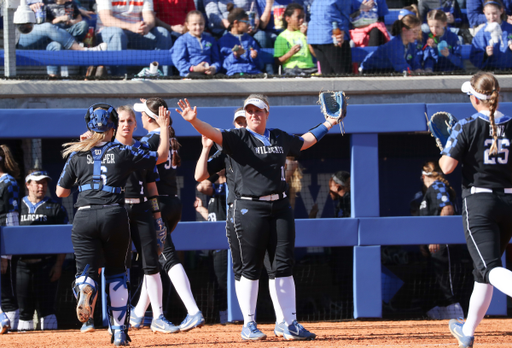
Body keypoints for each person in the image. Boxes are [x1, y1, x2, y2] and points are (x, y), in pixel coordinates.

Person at [177, 94, 341, 341]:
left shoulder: (277, 136)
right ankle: (249, 324)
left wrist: (329, 123)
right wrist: (194, 121)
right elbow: (211, 137)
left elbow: (304, 141)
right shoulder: (238, 138)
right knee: (250, 268)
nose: (253, 114)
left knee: (283, 267)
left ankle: (289, 323)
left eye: (258, 110)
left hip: (280, 207)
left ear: (267, 113)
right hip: (249, 209)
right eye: (249, 110)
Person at [56, 103, 170, 346]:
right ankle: (119, 331)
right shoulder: (122, 150)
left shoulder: (77, 153)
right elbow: (162, 156)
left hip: (84, 216)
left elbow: (61, 192)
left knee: (86, 271)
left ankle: (86, 285)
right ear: (113, 126)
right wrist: (164, 130)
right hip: (114, 215)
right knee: (117, 272)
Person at [439, 72, 512, 348]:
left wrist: (447, 148)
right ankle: (467, 331)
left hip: (480, 204)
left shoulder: (466, 125)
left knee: (490, 268)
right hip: (508, 204)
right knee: (483, 272)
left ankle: (468, 331)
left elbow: (446, 168)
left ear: (474, 97)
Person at [135, 97, 205, 332]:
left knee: (166, 257)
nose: (140, 117)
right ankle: (136, 314)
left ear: (151, 118)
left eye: (143, 114)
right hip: (173, 203)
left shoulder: (150, 139)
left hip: (157, 206)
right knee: (152, 260)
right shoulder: (170, 136)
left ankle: (193, 311)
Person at [106, 105, 178, 334]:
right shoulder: (106, 149)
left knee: (152, 263)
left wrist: (157, 217)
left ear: (136, 124)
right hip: (117, 211)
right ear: (114, 125)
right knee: (118, 266)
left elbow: (151, 183)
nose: (126, 125)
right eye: (122, 121)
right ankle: (117, 319)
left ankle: (158, 317)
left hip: (142, 210)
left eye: (130, 121)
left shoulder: (142, 147)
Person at [17, 170, 68, 331]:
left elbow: (63, 239)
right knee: (24, 311)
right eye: (37, 182)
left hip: (46, 266)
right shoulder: (17, 208)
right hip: (20, 267)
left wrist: (58, 265)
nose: (41, 186)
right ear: (28, 185)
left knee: (47, 309)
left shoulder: (55, 209)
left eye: (44, 183)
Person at [418, 161, 464, 320]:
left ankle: (459, 323)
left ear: (424, 176)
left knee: (447, 289)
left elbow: (448, 209)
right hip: (433, 247)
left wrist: (437, 236)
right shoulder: (429, 192)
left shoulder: (437, 187)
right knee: (436, 288)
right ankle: (442, 326)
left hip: (443, 244)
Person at [17, 2, 107, 77]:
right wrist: (28, 8)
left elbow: (66, 5)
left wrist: (78, 11)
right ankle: (82, 50)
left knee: (56, 45)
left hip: (44, 35)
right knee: (48, 27)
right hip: (19, 36)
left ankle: (53, 82)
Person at [95, 0, 173, 76]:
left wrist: (147, 26)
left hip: (136, 32)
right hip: (109, 32)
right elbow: (106, 19)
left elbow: (149, 16)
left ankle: (164, 76)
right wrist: (131, 26)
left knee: (163, 33)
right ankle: (119, 77)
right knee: (118, 33)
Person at [0, 145, 21, 334]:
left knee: (7, 290)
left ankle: (12, 337)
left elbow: (11, 217)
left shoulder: (8, 183)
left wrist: (6, 255)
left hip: (4, 244)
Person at [171, 11, 222, 77]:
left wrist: (214, 68)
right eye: (194, 24)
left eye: (201, 24)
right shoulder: (182, 40)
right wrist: (193, 68)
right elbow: (178, 61)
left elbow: (217, 60)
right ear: (188, 25)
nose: (198, 27)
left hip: (208, 73)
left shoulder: (210, 39)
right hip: (189, 73)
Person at [307, 0, 352, 75]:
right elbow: (346, 10)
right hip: (332, 37)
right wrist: (342, 29)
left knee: (328, 75)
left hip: (315, 37)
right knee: (344, 76)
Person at [218, 5, 262, 76]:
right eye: (246, 22)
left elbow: (260, 66)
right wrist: (235, 55)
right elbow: (222, 66)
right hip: (234, 74)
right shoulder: (223, 42)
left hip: (252, 72)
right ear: (236, 23)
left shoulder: (250, 40)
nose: (249, 24)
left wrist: (255, 57)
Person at [273, 3, 316, 76]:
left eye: (303, 17)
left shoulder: (306, 34)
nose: (302, 20)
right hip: (291, 69)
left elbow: (316, 54)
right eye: (298, 17)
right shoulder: (282, 37)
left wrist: (306, 36)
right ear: (288, 19)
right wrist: (291, 53)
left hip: (310, 68)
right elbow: (278, 61)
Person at [469, 0, 512, 70]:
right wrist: (485, 54)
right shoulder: (481, 33)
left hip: (509, 69)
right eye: (488, 14)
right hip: (490, 71)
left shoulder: (510, 28)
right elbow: (474, 56)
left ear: (501, 10)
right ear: (484, 12)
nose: (491, 17)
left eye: (494, 13)